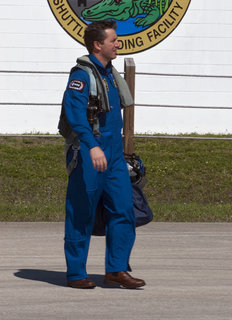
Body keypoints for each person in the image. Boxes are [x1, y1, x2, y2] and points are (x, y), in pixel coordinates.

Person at [62, 20, 145, 289]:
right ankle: (76, 273)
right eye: (113, 40)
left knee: (123, 211)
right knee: (81, 213)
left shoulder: (110, 74)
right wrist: (92, 146)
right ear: (98, 45)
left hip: (114, 157)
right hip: (89, 154)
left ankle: (116, 269)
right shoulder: (81, 75)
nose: (117, 43)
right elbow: (76, 116)